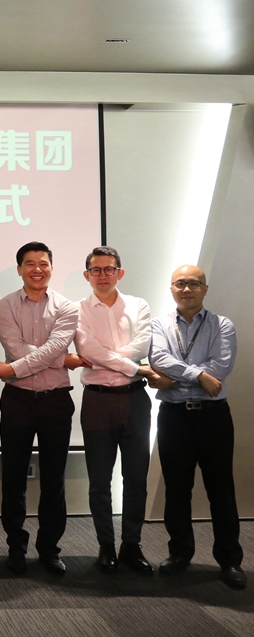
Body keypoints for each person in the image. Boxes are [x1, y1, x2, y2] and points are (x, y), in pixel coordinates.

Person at [66, 247, 164, 575]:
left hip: (135, 401)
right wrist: (132, 366)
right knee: (99, 480)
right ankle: (106, 545)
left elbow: (142, 345)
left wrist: (108, 358)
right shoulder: (76, 310)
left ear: (120, 273)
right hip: (98, 402)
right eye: (96, 270)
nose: (103, 275)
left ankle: (131, 545)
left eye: (109, 269)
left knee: (136, 478)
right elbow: (86, 349)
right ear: (87, 275)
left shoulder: (138, 305)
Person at [149, 265, 245, 589]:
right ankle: (180, 554)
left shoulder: (222, 325)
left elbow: (221, 366)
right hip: (174, 417)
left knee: (221, 489)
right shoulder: (159, 324)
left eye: (194, 283)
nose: (186, 289)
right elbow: (159, 359)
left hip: (213, 417)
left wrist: (177, 379)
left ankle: (230, 560)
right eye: (180, 283)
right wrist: (199, 376)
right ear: (171, 289)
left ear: (205, 288)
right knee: (177, 488)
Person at [0, 241, 78, 575]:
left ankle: (49, 548)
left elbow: (53, 348)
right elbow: (18, 348)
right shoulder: (3, 307)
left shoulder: (68, 307)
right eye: (30, 263)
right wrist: (56, 358)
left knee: (54, 480)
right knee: (14, 479)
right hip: (18, 401)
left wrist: (14, 367)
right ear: (19, 269)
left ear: (51, 267)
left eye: (43, 263)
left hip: (56, 401)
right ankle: (16, 546)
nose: (37, 269)